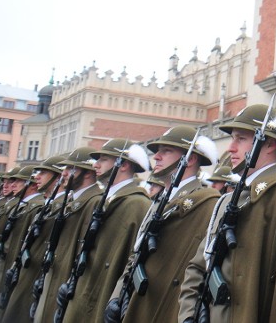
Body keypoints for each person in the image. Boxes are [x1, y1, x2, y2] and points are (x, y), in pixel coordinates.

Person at [177, 104, 276, 322]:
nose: (231, 148)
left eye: (241, 139)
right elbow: (197, 267)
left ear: (270, 143)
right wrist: (189, 315)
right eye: (232, 138)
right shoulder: (228, 200)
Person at [104, 126, 220, 322]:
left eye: (166, 151)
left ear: (190, 159)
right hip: (138, 303)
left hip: (169, 308)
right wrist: (115, 297)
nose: (156, 157)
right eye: (157, 151)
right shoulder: (159, 201)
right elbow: (136, 254)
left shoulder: (207, 204)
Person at [56, 138, 150, 321]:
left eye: (104, 159)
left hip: (103, 296)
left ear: (123, 165)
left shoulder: (138, 204)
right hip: (83, 291)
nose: (96, 164)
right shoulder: (104, 200)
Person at [32, 147, 103, 323]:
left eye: (71, 169)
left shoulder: (94, 202)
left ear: (87, 173)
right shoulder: (72, 201)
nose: (63, 174)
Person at [0, 155, 66, 322]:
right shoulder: (31, 206)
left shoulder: (38, 206)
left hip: (33, 270)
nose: (10, 185)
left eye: (43, 173)